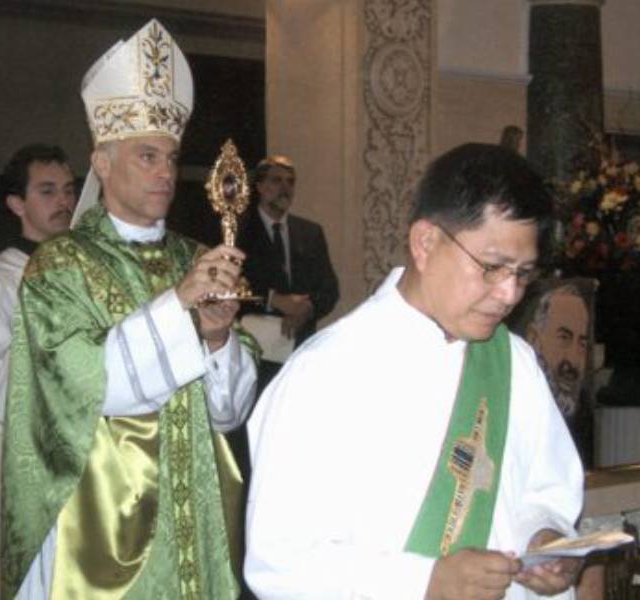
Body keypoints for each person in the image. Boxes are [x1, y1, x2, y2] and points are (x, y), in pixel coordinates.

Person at [245, 143, 585, 599]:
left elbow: (547, 488)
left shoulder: (515, 363)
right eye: (492, 267)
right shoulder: (327, 374)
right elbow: (279, 564)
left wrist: (546, 538)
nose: (508, 294)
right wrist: (424, 583)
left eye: (523, 274)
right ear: (425, 243)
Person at [0, 19, 258, 600]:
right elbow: (91, 387)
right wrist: (180, 305)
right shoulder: (60, 266)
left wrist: (217, 340)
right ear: (104, 161)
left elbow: (227, 414)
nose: (166, 172)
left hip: (193, 519)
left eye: (171, 156)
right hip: (100, 534)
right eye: (147, 156)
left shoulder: (195, 256)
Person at [0, 143, 76, 600]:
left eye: (68, 190)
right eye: (47, 191)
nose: (63, 202)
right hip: (23, 469)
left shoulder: (85, 274)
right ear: (16, 203)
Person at [237, 155, 339, 390]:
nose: (285, 188)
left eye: (291, 182)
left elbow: (330, 289)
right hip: (255, 354)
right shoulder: (240, 231)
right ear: (260, 187)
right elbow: (230, 287)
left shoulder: (310, 232)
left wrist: (306, 309)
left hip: (300, 351)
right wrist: (274, 300)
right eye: (276, 181)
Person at [525, 283, 590, 419]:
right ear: (534, 338)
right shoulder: (514, 404)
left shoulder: (584, 414)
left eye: (582, 343)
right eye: (564, 338)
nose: (573, 360)